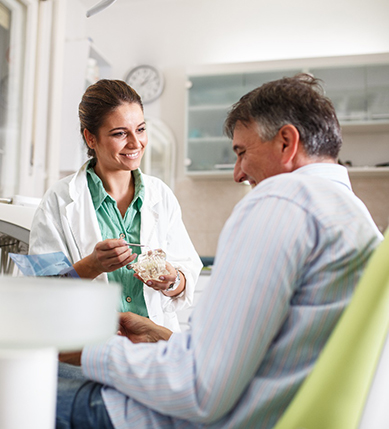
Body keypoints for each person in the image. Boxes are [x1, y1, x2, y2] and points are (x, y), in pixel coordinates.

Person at [55, 74, 384, 429]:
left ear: (287, 142)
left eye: (242, 151)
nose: (237, 173)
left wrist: (90, 351)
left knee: (13, 385)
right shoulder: (353, 217)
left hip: (166, 417)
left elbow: (199, 389)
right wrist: (162, 335)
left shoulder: (280, 201)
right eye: (120, 132)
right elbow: (264, 354)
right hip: (245, 404)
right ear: (92, 139)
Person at [29, 79, 202, 331]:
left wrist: (172, 280)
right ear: (90, 138)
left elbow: (188, 274)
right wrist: (92, 265)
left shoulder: (160, 196)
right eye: (120, 133)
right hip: (88, 350)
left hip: (152, 352)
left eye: (141, 129)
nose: (135, 143)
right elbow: (40, 292)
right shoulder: (58, 200)